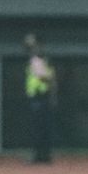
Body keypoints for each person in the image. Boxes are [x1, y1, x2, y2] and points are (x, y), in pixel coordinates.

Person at [24, 33, 57, 164]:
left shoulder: (37, 59)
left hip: (40, 96)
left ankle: (40, 155)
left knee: (39, 127)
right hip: (41, 96)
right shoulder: (41, 59)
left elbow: (46, 77)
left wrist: (42, 76)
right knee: (42, 127)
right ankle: (44, 155)